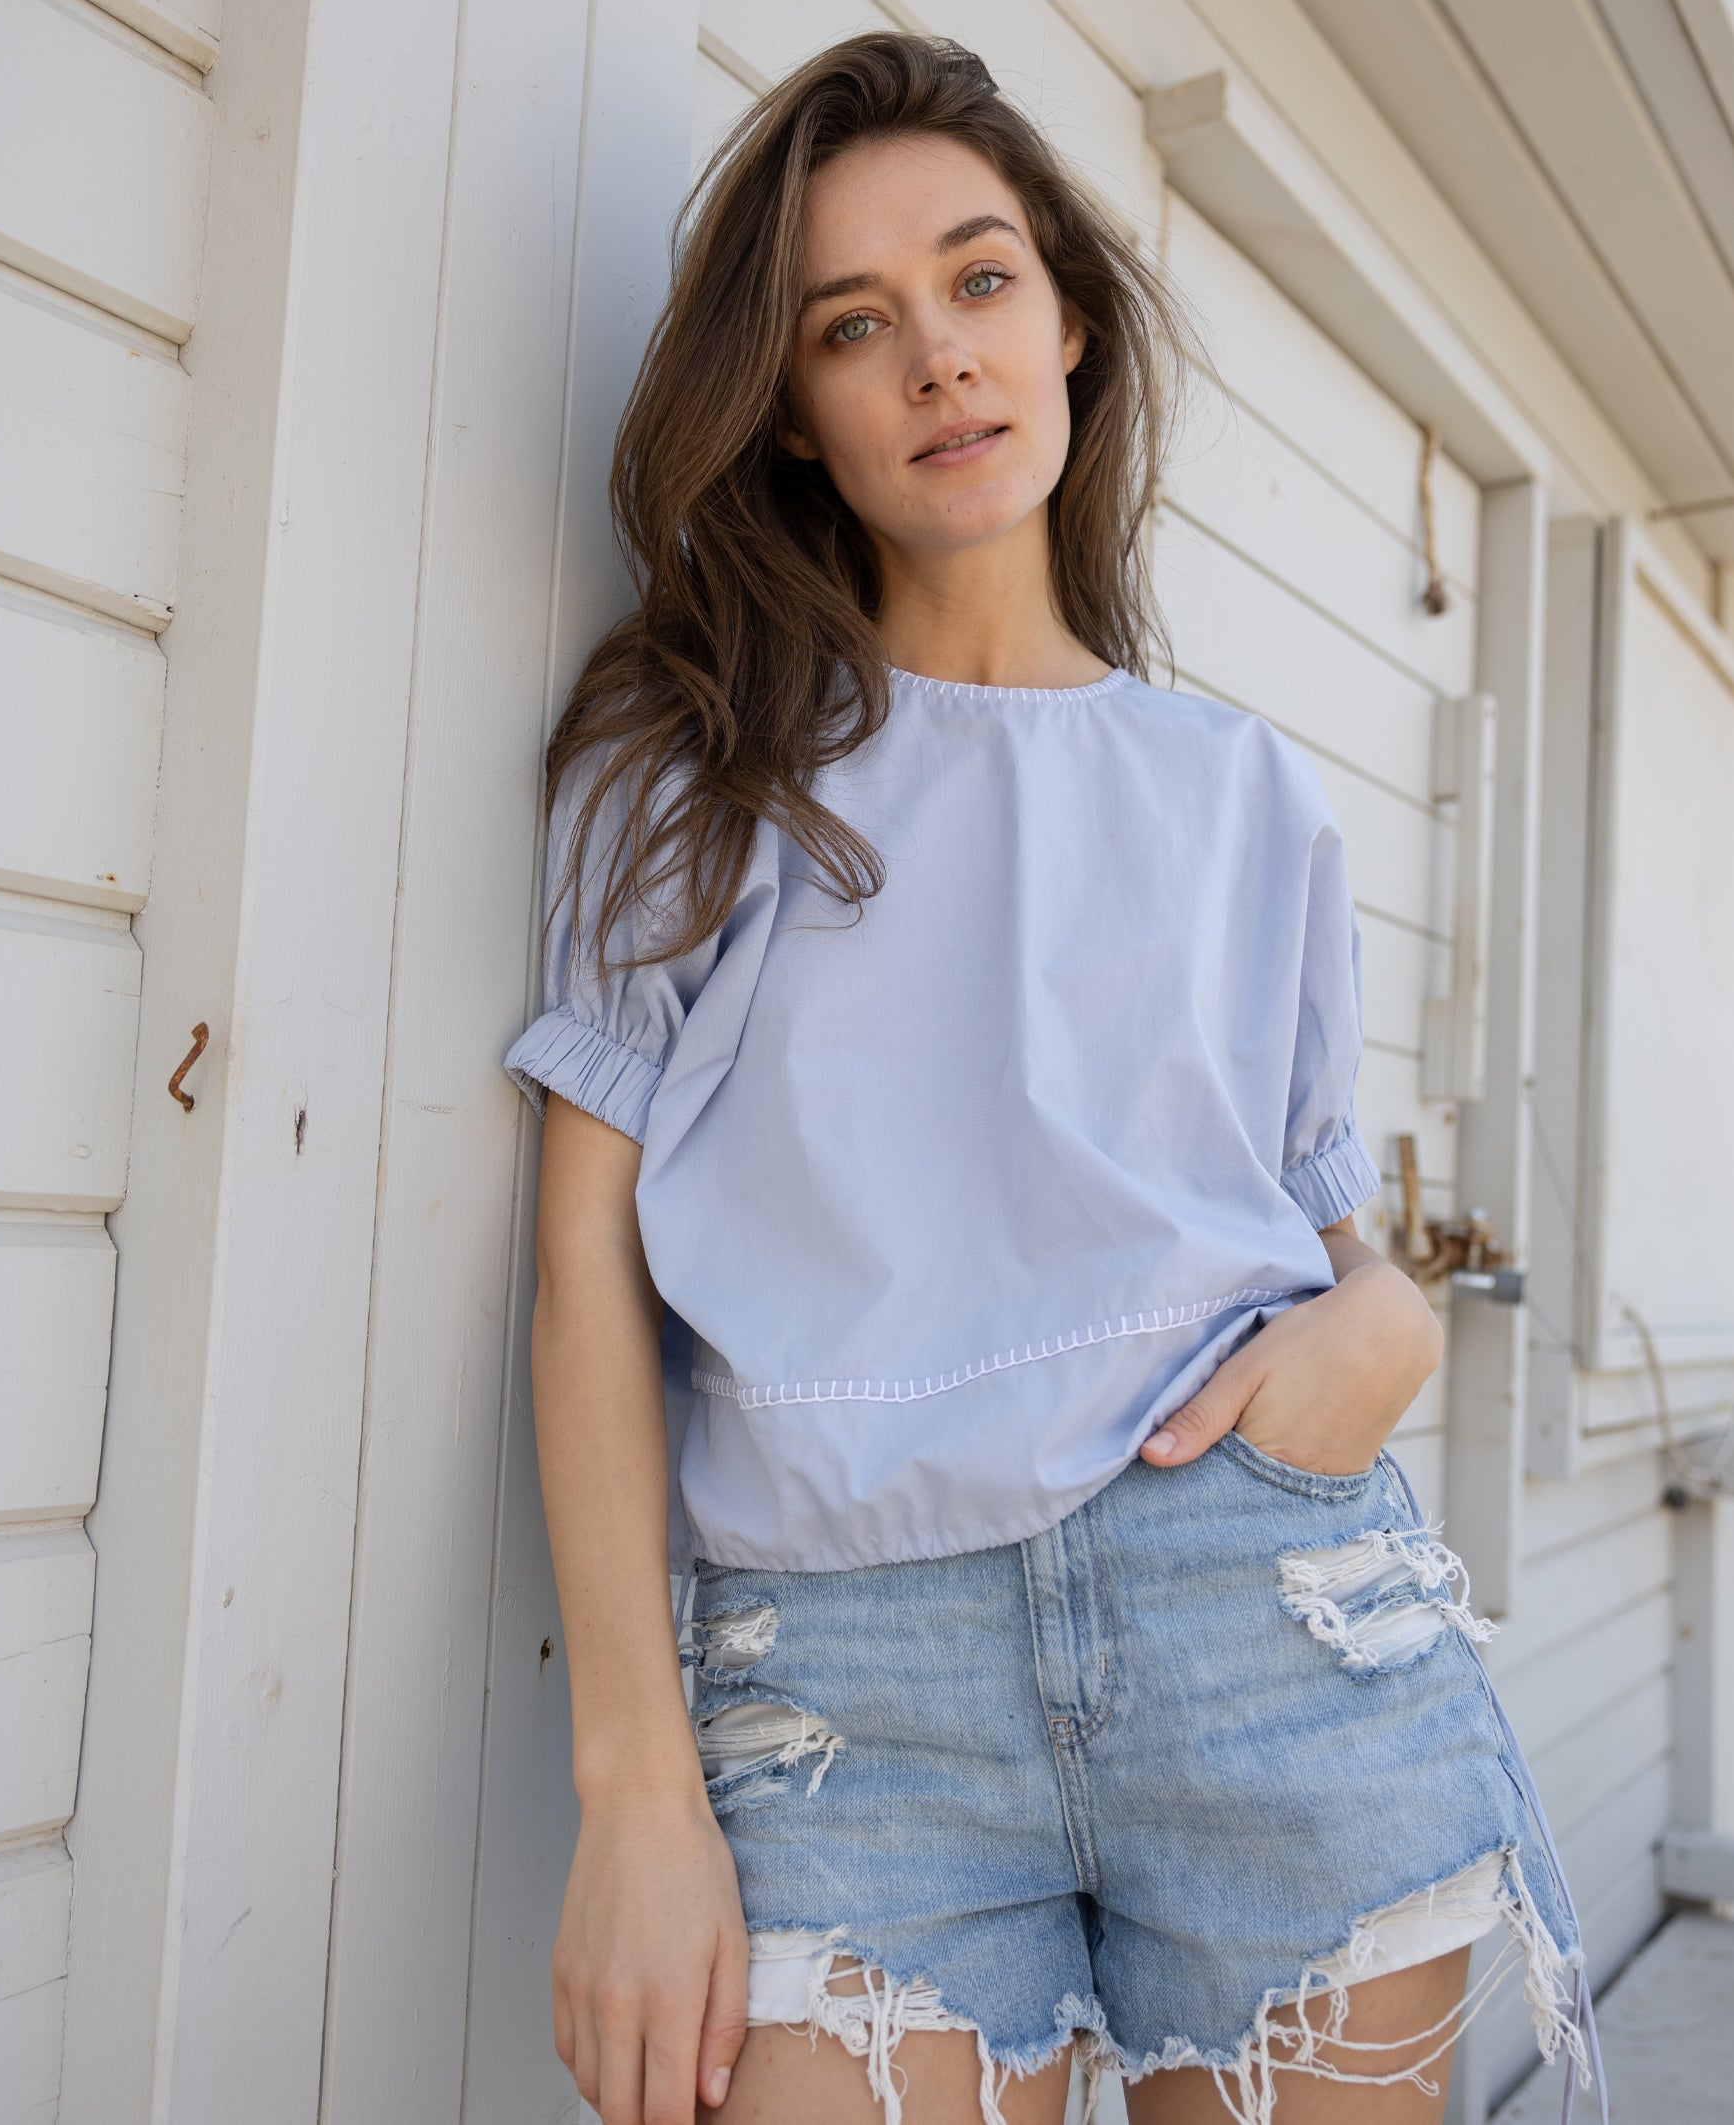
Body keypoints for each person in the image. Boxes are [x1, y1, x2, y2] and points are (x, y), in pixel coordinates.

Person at [504, 33, 1598, 2125]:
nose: (935, 357)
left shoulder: (1241, 792)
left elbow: (1318, 1226)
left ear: (1069, 326)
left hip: (1261, 1621)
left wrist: (1372, 1323)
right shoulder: (695, 768)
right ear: (799, 418)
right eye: (853, 324)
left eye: (979, 278)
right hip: (848, 1700)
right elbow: (582, 1272)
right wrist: (632, 1785)